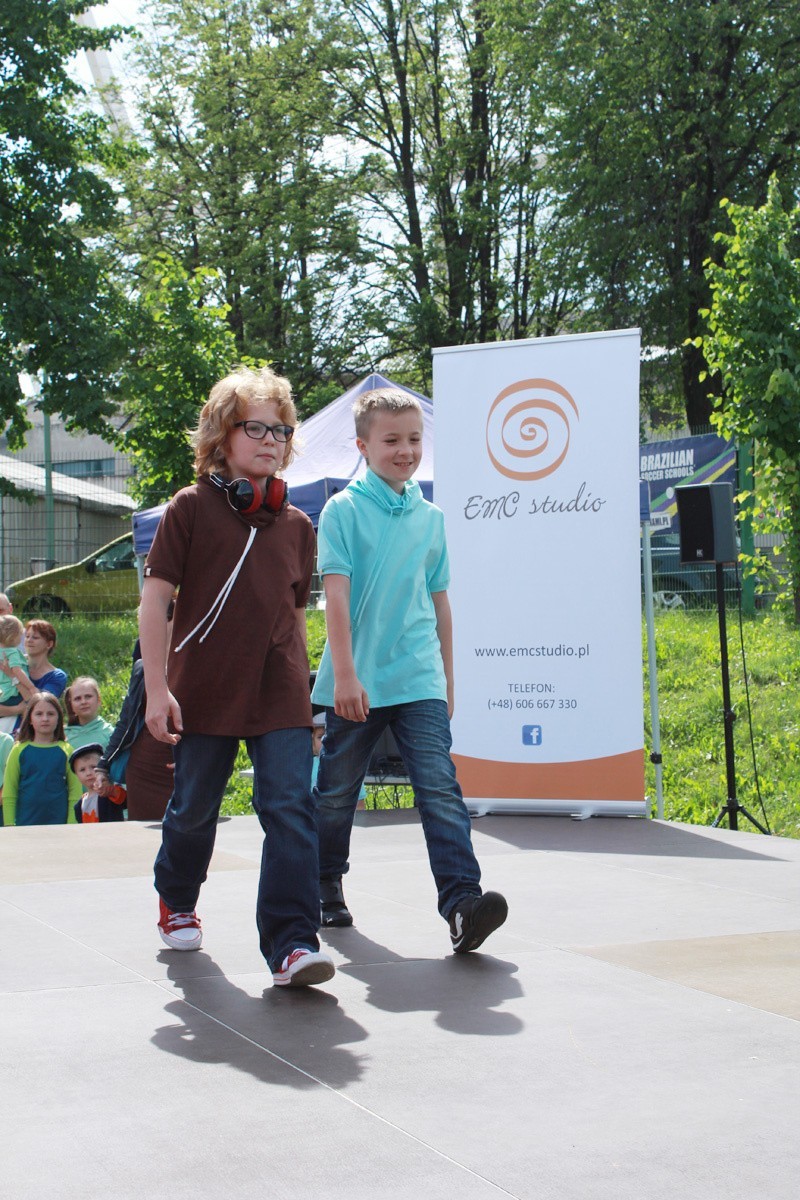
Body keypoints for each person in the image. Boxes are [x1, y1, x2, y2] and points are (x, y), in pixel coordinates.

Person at [139, 363, 334, 988]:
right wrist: (158, 688)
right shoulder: (189, 509)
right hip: (204, 687)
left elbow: (296, 617)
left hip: (278, 689)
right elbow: (155, 600)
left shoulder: (300, 527)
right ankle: (177, 896)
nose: (270, 441)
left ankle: (292, 943)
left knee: (289, 806)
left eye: (281, 431)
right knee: (195, 808)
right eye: (255, 428)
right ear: (223, 436)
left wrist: (311, 701)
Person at [312, 386, 508, 952]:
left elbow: (440, 602)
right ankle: (326, 882)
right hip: (360, 681)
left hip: (420, 676)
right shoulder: (342, 510)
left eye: (415, 439)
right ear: (363, 446)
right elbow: (337, 598)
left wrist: (448, 679)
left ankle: (462, 904)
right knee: (335, 793)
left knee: (440, 788)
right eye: (392, 440)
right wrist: (345, 675)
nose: (405, 450)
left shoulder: (431, 517)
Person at [1, 692, 81, 826]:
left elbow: (75, 792)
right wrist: (9, 824)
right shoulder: (18, 750)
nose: (45, 718)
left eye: (50, 714)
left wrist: (72, 823)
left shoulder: (67, 750)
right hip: (24, 825)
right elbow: (10, 790)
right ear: (30, 719)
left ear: (59, 718)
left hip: (59, 825)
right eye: (39, 714)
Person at [69, 743, 126, 823]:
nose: (88, 773)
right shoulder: (79, 805)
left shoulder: (110, 792)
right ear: (77, 775)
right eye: (82, 770)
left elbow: (126, 801)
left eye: (93, 767)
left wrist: (112, 791)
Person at [65, 677, 114, 750]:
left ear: (99, 700)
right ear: (71, 705)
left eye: (88, 696)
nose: (83, 702)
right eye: (78, 698)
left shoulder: (110, 734)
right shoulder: (63, 736)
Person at [0, 615, 30, 734]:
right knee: (31, 704)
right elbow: (17, 671)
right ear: (13, 636)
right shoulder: (12, 652)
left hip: (2, 693)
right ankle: (23, 732)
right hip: (12, 694)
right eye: (21, 635)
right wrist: (31, 687)